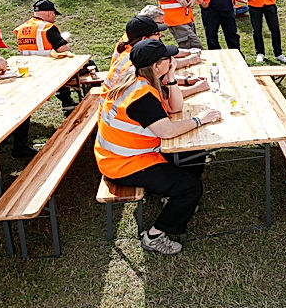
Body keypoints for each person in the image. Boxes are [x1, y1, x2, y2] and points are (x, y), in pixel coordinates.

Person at [94, 39, 222, 256]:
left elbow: (175, 107)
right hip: (124, 164)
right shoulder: (141, 96)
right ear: (155, 65)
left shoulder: (142, 79)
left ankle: (170, 196)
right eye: (167, 59)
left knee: (195, 152)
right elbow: (167, 132)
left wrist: (171, 77)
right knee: (191, 187)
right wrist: (200, 120)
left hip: (127, 154)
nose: (172, 60)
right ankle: (154, 236)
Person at [13, 0, 81, 117]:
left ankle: (67, 100)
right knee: (88, 65)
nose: (54, 18)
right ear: (50, 13)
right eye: (54, 14)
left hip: (30, 69)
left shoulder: (21, 28)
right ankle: (73, 100)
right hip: (51, 69)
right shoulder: (47, 27)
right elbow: (63, 50)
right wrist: (64, 40)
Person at [106, 15, 207, 92]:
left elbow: (158, 80)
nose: (160, 36)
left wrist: (187, 80)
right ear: (144, 39)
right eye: (157, 34)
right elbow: (162, 96)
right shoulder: (137, 60)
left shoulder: (136, 50)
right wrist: (197, 88)